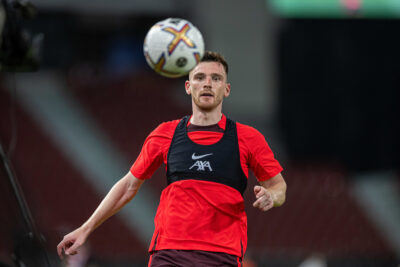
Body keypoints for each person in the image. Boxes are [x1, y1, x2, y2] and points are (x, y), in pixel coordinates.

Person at [57, 51, 287, 266]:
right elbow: (128, 185)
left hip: (222, 254)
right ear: (188, 86)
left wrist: (272, 197)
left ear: (226, 89)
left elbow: (278, 185)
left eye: (216, 78)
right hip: (169, 253)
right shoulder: (165, 133)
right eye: (200, 77)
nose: (207, 83)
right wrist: (85, 229)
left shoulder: (248, 138)